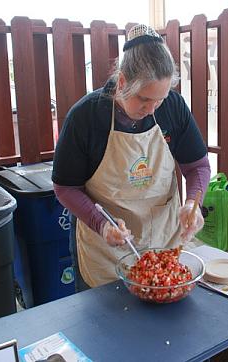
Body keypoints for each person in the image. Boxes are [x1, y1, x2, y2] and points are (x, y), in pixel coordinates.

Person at [52, 24, 211, 290]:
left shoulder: (173, 106)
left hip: (163, 239)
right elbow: (65, 188)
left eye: (159, 100)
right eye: (143, 99)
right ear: (122, 81)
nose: (151, 110)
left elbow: (198, 166)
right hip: (104, 249)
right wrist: (102, 225)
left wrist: (193, 202)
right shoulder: (86, 117)